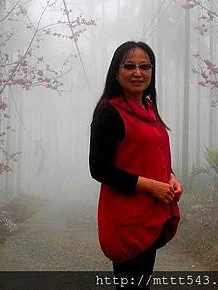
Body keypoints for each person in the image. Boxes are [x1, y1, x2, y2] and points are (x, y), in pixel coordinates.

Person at [89, 41, 182, 288]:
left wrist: (171, 178)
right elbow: (99, 168)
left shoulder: (149, 108)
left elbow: (154, 153)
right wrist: (152, 186)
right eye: (129, 66)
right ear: (116, 73)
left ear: (152, 72)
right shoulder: (110, 112)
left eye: (145, 66)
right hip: (126, 220)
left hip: (150, 214)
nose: (138, 72)